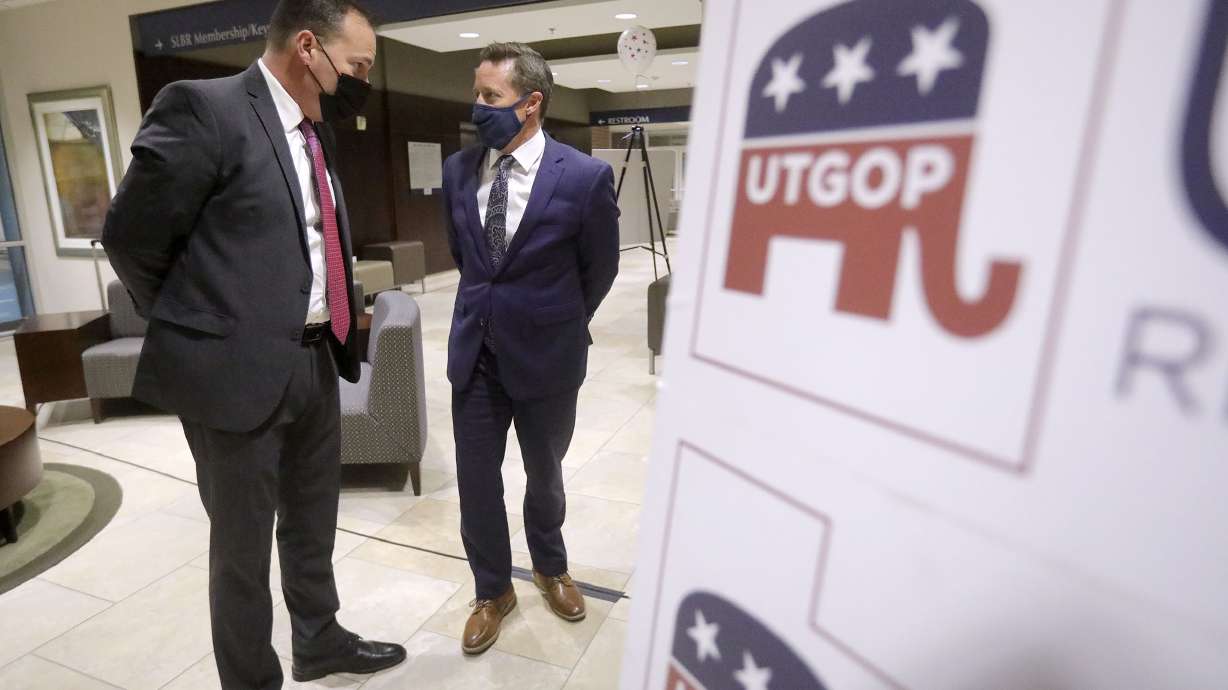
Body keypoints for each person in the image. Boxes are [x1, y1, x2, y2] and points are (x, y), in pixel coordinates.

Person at [102, 1, 406, 686]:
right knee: (241, 550)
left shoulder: (315, 128)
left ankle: (320, 642)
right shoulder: (204, 109)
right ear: (308, 48)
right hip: (233, 374)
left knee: (312, 522)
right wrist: (204, 324)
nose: (362, 81)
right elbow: (130, 237)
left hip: (316, 358)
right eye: (358, 65)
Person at [442, 41, 621, 655]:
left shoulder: (585, 177)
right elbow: (465, 257)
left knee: (544, 474)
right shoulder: (458, 170)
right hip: (476, 355)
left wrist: (560, 321)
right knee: (476, 481)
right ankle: (492, 590)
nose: (478, 105)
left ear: (531, 103)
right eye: (477, 92)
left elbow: (600, 269)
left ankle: (550, 566)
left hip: (548, 357)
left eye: (491, 95)